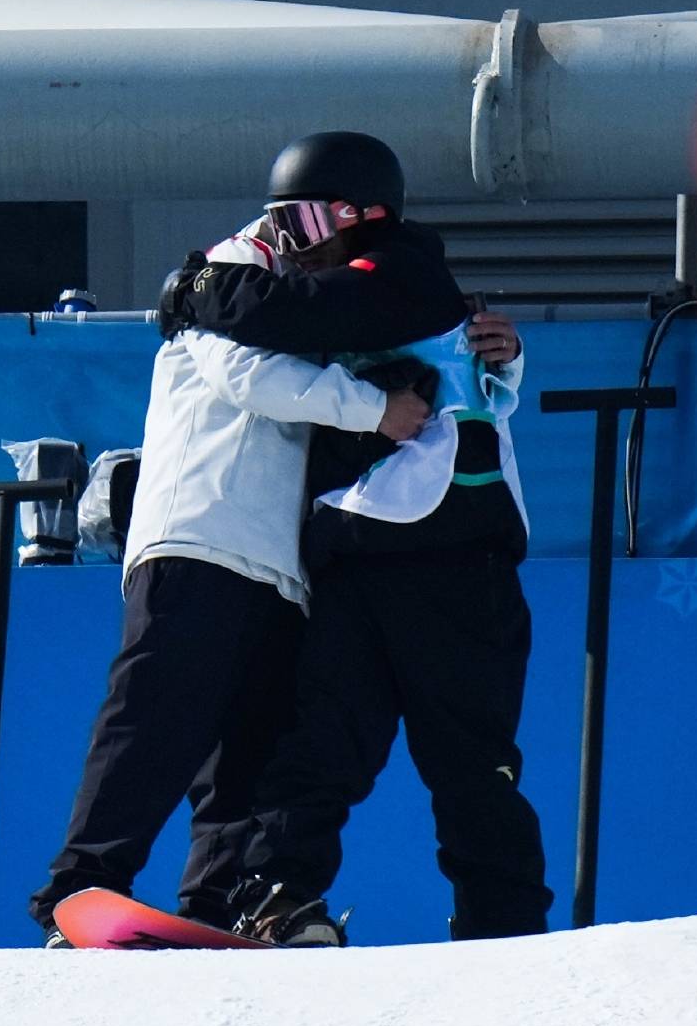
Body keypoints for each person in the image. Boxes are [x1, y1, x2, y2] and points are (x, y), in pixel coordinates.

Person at [162, 130, 555, 946]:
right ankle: (279, 900)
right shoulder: (362, 278)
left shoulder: (402, 267)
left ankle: (503, 925)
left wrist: (200, 287)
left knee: (467, 756)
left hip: (450, 552)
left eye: (299, 223)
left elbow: (297, 316)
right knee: (321, 742)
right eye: (276, 226)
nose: (288, 246)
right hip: (358, 549)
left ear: (355, 214)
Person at [25, 217, 431, 945]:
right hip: (199, 533)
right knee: (156, 717)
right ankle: (83, 886)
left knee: (249, 751)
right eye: (305, 221)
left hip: (277, 563)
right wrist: (375, 409)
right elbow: (246, 376)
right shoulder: (228, 283)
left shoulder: (314, 311)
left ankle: (217, 904)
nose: (321, 242)